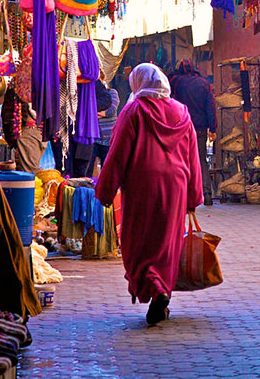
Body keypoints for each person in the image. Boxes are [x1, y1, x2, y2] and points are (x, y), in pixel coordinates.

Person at [96, 63, 203, 325]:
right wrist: (193, 196)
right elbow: (192, 156)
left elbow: (118, 152)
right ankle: (161, 291)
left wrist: (106, 189)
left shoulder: (133, 110)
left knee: (140, 239)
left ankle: (154, 286)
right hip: (176, 186)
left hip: (143, 184)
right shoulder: (181, 112)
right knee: (167, 241)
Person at [168, 60, 217, 205]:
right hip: (200, 128)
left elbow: (170, 100)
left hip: (181, 127)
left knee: (182, 159)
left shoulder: (176, 82)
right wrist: (212, 128)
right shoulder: (203, 83)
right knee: (201, 159)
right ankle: (207, 193)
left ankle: (183, 194)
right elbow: (210, 107)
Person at [90, 76, 120, 176]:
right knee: (89, 167)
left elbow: (111, 111)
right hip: (93, 136)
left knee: (107, 168)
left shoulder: (112, 93)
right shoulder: (91, 94)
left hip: (108, 137)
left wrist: (95, 113)